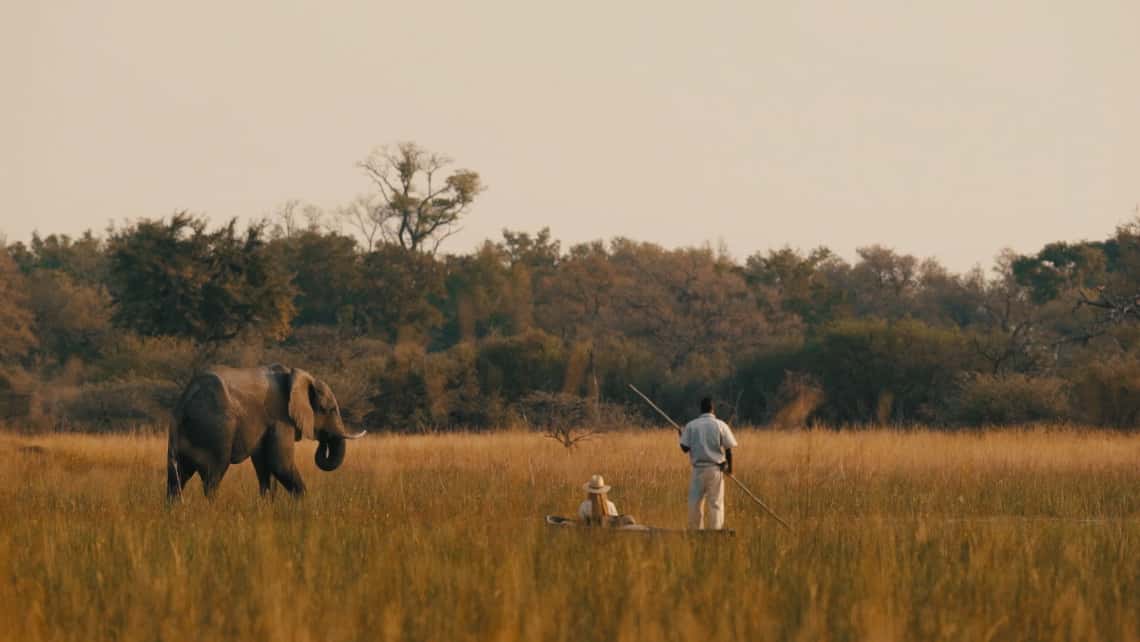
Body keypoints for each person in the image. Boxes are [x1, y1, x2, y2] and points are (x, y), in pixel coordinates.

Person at [679, 396, 738, 530]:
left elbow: (684, 448)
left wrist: (681, 435)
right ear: (712, 409)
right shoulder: (720, 425)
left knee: (695, 502)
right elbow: (729, 450)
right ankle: (715, 532)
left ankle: (695, 531)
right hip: (715, 470)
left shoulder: (691, 425)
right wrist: (730, 469)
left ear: (701, 409)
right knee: (715, 503)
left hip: (698, 470)